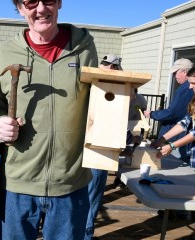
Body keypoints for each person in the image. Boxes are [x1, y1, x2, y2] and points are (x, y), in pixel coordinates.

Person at [0, 0, 98, 239]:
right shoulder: (3, 54)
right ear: (19, 7)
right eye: (30, 2)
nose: (40, 9)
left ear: (58, 3)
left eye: (47, 0)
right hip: (18, 183)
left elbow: (96, 102)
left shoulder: (86, 50)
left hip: (70, 182)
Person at [152, 64, 195, 240]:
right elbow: (184, 123)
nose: (190, 86)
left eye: (193, 83)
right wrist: (161, 140)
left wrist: (172, 146)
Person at [85, 54, 123, 240]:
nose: (105, 68)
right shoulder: (89, 84)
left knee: (93, 195)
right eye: (103, 65)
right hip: (85, 146)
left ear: (116, 69)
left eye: (109, 66)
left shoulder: (122, 89)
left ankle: (86, 234)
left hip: (102, 150)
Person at [144, 58, 194, 162]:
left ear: (185, 72)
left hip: (177, 138)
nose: (174, 76)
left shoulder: (186, 89)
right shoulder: (187, 88)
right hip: (177, 136)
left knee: (175, 166)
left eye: (176, 72)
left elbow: (173, 113)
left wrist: (152, 114)